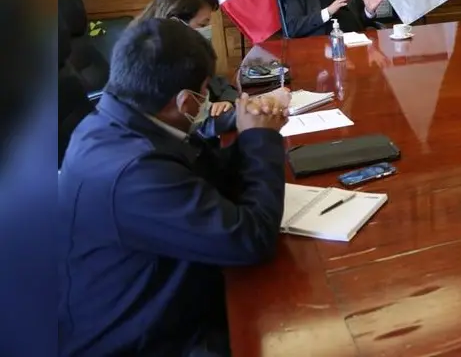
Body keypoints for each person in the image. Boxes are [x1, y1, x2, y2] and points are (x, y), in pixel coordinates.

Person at [57, 19, 289, 356]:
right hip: (143, 340)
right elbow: (252, 240)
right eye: (206, 90)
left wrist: (251, 132)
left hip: (166, 297)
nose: (208, 99)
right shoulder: (135, 170)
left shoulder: (117, 119)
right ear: (185, 102)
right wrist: (260, 138)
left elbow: (205, 177)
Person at [133, 0, 238, 117]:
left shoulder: (188, 50)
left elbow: (217, 83)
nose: (208, 29)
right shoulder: (152, 60)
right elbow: (191, 121)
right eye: (202, 24)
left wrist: (226, 101)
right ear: (176, 22)